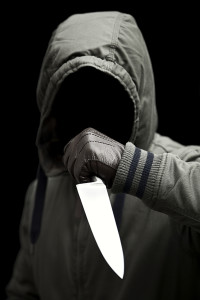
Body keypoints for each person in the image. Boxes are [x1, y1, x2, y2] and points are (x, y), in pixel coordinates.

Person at [6, 11, 200, 300]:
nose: (89, 110)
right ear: (53, 101)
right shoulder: (41, 194)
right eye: (75, 93)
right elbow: (24, 292)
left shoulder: (176, 166)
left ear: (136, 94)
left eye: (106, 93)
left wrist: (130, 167)